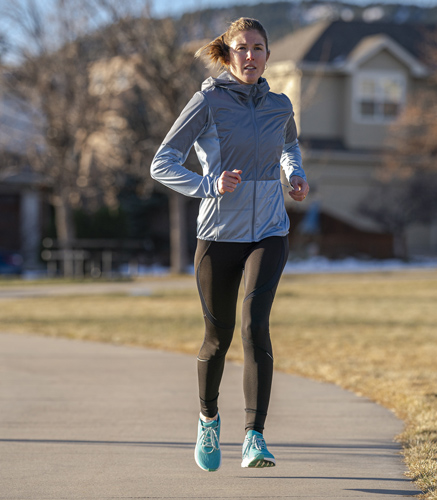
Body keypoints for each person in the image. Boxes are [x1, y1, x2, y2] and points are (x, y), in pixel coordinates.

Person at [150, 17, 309, 472]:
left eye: (258, 47)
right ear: (228, 53)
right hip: (218, 235)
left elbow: (289, 147)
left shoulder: (281, 105)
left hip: (269, 232)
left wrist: (292, 173)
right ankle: (207, 419)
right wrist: (208, 185)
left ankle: (254, 437)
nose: (250, 56)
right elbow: (161, 163)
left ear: (268, 54)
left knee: (256, 327)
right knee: (217, 340)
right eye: (242, 48)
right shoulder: (207, 101)